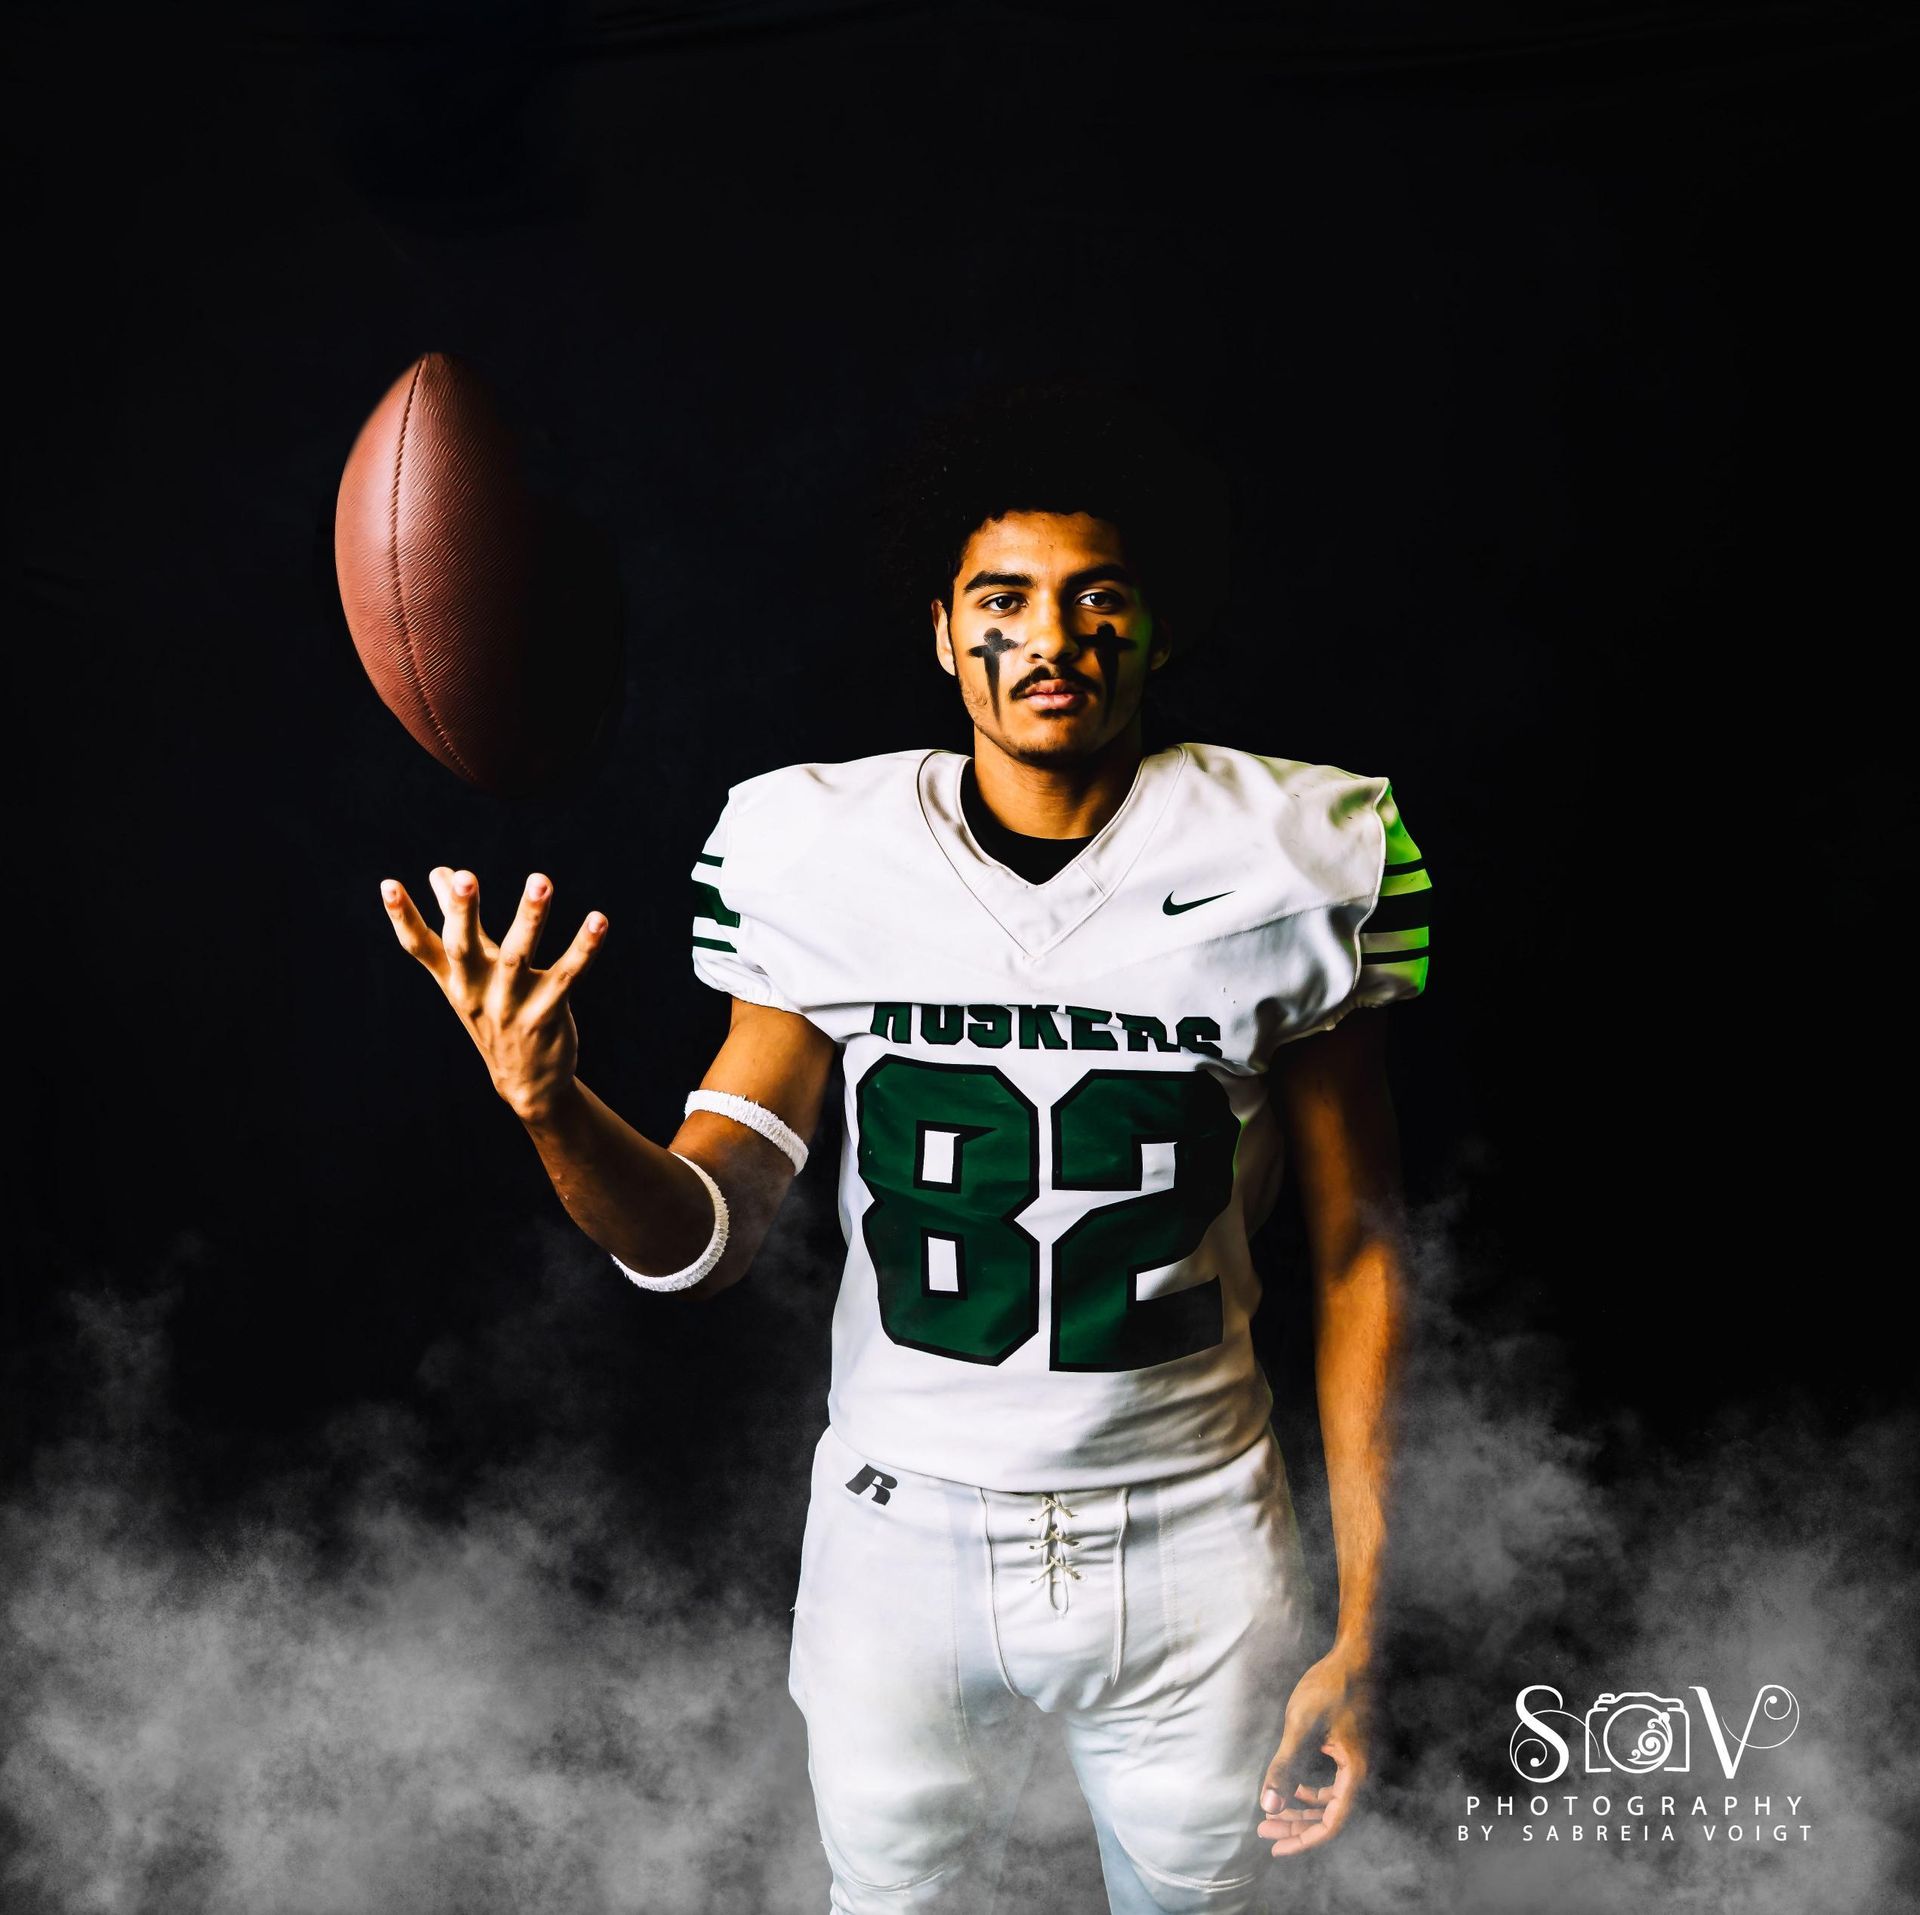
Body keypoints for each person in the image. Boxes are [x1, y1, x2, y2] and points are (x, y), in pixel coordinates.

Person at [378, 385, 1430, 1913]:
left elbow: (1358, 1253)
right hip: (899, 1539)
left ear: (1156, 630)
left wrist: (1364, 1627)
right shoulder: (821, 851)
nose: (1051, 638)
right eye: (1003, 600)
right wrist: (556, 1110)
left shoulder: (1297, 851)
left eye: (1098, 599)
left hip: (1196, 1532)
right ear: (943, 631)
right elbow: (698, 1235)